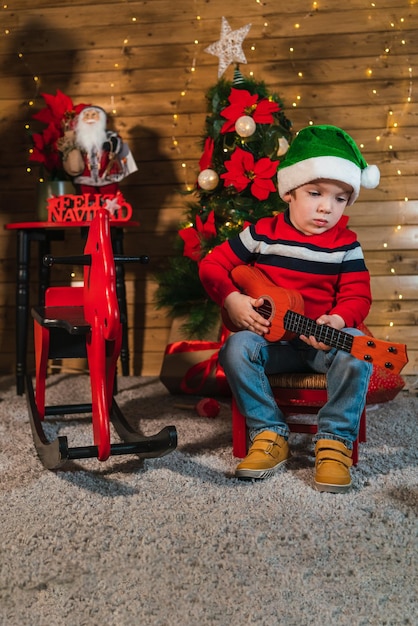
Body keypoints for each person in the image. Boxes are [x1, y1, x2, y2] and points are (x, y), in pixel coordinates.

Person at [199, 124, 380, 493]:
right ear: (289, 192)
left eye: (340, 198)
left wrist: (339, 319)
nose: (326, 207)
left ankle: (335, 442)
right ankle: (268, 432)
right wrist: (232, 299)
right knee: (236, 348)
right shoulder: (261, 233)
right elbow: (212, 265)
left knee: (357, 346)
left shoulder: (347, 245)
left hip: (320, 345)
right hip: (273, 344)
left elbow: (358, 296)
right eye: (315, 193)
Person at [58, 105, 137, 201]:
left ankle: (109, 214)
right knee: (88, 202)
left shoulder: (110, 137)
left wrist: (112, 144)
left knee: (110, 201)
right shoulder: (78, 139)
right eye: (86, 115)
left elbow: (118, 146)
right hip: (85, 179)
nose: (90, 118)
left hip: (107, 177)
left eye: (93, 115)